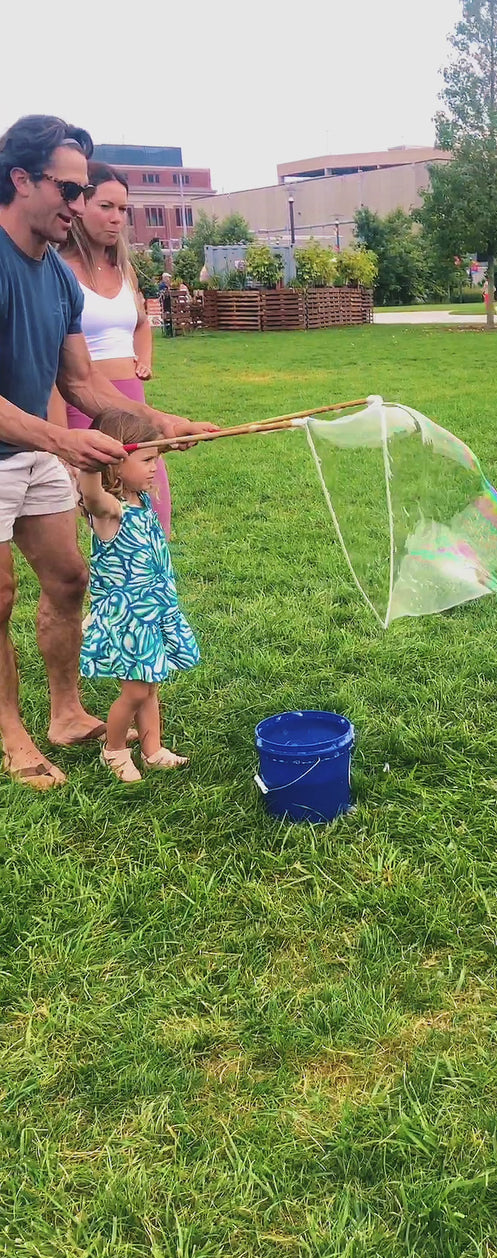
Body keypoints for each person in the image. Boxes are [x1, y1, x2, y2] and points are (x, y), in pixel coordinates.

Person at [0, 114, 215, 790]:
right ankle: (12, 733)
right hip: (17, 448)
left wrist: (163, 421)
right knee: (0, 594)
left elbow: (83, 383)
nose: (78, 202)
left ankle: (66, 713)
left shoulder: (57, 280)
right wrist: (61, 438)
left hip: (31, 452)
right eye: (68, 189)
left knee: (69, 579)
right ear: (21, 180)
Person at [48, 162, 172, 536]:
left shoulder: (123, 270)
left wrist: (144, 360)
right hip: (82, 407)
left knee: (152, 516)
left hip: (133, 404)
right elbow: (56, 366)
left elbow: (141, 322)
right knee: (103, 524)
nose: (117, 218)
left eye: (123, 209)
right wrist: (60, 441)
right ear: (80, 204)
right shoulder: (57, 272)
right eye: (106, 206)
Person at [78, 409, 199, 783]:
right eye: (146, 460)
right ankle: (114, 750)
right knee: (133, 692)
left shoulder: (142, 502)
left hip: (152, 613)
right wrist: (92, 462)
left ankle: (153, 749)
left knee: (150, 687)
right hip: (128, 620)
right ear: (115, 463)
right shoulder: (110, 511)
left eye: (156, 458)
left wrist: (170, 441)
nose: (154, 468)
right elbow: (91, 493)